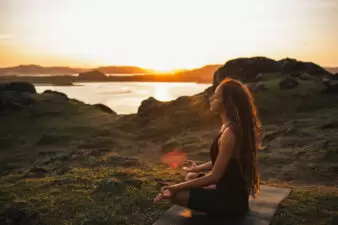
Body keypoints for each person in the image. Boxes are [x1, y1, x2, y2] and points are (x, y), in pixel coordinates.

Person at [154, 78, 262, 217]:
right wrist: (197, 169)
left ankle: (214, 207)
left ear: (226, 102)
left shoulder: (231, 132)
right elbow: (222, 160)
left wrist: (175, 188)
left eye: (216, 97)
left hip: (232, 201)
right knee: (191, 175)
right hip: (227, 189)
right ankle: (207, 199)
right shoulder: (228, 126)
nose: (212, 99)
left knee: (175, 196)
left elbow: (215, 176)